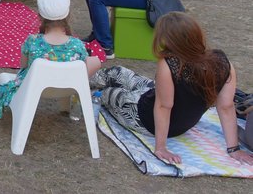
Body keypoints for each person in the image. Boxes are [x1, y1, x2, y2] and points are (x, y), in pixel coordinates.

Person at [91, 12, 253, 165]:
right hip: (175, 119)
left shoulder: (169, 64)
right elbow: (226, 106)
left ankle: (84, 83)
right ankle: (86, 77)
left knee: (110, 93)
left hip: (144, 118)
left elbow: (163, 107)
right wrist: (234, 149)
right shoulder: (223, 62)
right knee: (118, 72)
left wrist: (160, 147)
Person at [0, 0, 101, 118]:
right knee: (94, 61)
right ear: (68, 17)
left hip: (35, 86)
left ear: (40, 17)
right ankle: (67, 104)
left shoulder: (32, 41)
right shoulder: (77, 45)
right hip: (67, 86)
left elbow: (23, 66)